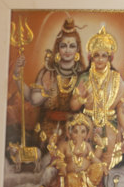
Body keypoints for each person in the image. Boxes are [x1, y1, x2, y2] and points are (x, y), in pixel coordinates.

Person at [11, 16, 87, 147]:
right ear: (58, 48)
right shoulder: (48, 73)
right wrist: (18, 74)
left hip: (74, 135)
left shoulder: (84, 75)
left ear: (77, 49)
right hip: (46, 133)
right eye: (63, 46)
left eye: (72, 46)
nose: (67, 50)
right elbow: (33, 99)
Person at [70, 25, 124, 171]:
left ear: (109, 57)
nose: (100, 59)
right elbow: (73, 107)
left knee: (103, 169)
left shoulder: (116, 79)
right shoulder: (84, 78)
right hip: (87, 128)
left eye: (104, 55)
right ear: (91, 57)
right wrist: (80, 97)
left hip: (110, 127)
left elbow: (121, 109)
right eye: (96, 55)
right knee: (86, 164)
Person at [41, 113, 108, 187]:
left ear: (87, 134)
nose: (79, 135)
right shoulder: (64, 145)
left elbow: (93, 158)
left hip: (87, 176)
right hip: (70, 176)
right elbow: (58, 159)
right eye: (75, 131)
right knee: (70, 180)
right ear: (70, 133)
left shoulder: (86, 145)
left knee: (98, 167)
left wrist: (102, 165)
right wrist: (62, 167)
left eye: (83, 132)